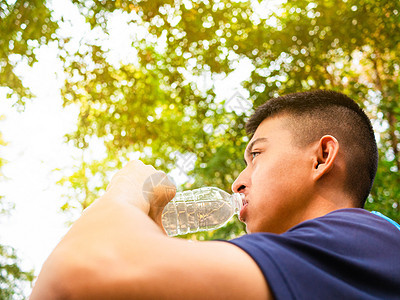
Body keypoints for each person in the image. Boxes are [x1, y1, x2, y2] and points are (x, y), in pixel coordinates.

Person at [30, 90, 400, 299]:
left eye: (256, 154)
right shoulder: (317, 274)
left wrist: (127, 189)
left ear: (321, 157)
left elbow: (77, 278)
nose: (238, 183)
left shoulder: (365, 239)